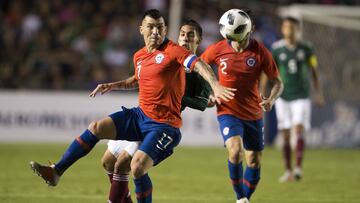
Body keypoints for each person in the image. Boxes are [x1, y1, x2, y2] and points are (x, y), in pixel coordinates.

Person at [29, 9, 235, 203]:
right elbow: (139, 79)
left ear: (165, 30)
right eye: (151, 27)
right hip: (140, 116)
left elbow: (198, 64)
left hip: (163, 125)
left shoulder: (173, 51)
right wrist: (113, 85)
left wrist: (215, 85)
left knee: (133, 167)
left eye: (160, 27)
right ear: (142, 29)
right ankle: (56, 172)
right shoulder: (139, 56)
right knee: (98, 133)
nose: (156, 32)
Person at [101, 19, 211, 203]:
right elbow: (142, 77)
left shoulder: (199, 70)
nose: (185, 38)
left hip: (159, 123)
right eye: (182, 34)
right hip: (141, 115)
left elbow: (202, 102)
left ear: (199, 41)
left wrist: (176, 95)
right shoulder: (168, 55)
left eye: (191, 35)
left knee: (127, 165)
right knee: (107, 161)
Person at [200, 9, 283, 203]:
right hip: (228, 111)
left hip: (253, 113)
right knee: (235, 151)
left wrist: (271, 98)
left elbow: (278, 82)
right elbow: (199, 67)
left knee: (253, 160)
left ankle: (245, 198)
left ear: (250, 29)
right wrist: (209, 94)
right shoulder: (218, 49)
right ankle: (240, 197)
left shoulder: (261, 52)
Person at [270, 16, 325, 182]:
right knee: (285, 134)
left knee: (298, 128)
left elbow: (314, 71)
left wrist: (318, 92)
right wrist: (264, 91)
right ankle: (288, 170)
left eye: (292, 27)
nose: (289, 30)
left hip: (301, 95)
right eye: (286, 27)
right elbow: (270, 71)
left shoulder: (307, 48)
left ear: (297, 30)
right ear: (282, 29)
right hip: (283, 96)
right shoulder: (276, 49)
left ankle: (298, 168)